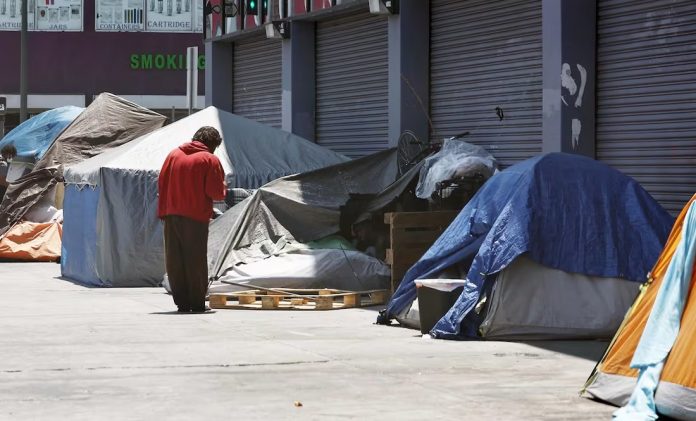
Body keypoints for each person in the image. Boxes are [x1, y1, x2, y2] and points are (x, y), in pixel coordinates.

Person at [158, 126, 226, 313]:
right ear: (212, 145)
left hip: (170, 214)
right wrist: (223, 186)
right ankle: (197, 304)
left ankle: (182, 303)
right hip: (195, 216)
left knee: (175, 259)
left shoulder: (173, 154)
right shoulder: (209, 159)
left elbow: (161, 183)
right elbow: (215, 192)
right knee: (195, 260)